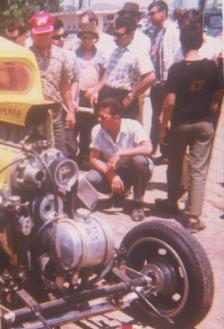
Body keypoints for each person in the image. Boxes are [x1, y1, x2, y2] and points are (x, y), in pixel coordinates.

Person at [155, 26, 223, 232]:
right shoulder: (212, 67)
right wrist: (211, 108)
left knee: (175, 164)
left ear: (181, 43)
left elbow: (169, 103)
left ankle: (172, 202)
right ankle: (193, 217)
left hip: (180, 124)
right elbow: (219, 92)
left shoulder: (176, 69)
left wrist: (163, 127)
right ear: (201, 43)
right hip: (204, 123)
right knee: (198, 169)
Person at [86, 97, 153, 221]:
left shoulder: (133, 125)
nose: (98, 119)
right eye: (99, 116)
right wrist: (111, 175)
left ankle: (137, 204)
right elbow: (93, 159)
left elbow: (148, 148)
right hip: (114, 170)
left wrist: (120, 153)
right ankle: (119, 193)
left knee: (140, 161)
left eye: (103, 117)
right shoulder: (97, 129)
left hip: (133, 169)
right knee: (91, 177)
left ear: (116, 118)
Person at [29, 12, 76, 156]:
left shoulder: (61, 55)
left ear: (51, 32)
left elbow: (64, 84)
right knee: (32, 157)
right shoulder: (25, 55)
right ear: (32, 34)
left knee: (60, 155)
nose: (42, 37)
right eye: (39, 34)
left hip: (54, 112)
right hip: (31, 113)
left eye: (45, 33)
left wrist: (70, 111)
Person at [94, 15, 156, 121]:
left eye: (119, 35)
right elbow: (108, 72)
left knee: (124, 133)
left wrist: (131, 96)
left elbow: (150, 77)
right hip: (108, 96)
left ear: (131, 34)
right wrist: (97, 90)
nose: (115, 38)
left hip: (124, 99)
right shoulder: (114, 48)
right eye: (114, 34)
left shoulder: (138, 52)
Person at [145, 1, 180, 163]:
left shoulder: (172, 31)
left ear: (163, 13)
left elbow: (174, 58)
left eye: (152, 13)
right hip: (156, 83)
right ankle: (159, 150)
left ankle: (156, 152)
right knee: (156, 118)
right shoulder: (155, 31)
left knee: (163, 118)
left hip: (167, 82)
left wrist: (172, 83)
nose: (150, 16)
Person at [74, 22, 106, 169]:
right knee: (77, 125)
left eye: (90, 38)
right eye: (84, 38)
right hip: (78, 94)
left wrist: (96, 89)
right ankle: (74, 154)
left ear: (94, 39)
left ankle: (86, 156)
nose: (87, 41)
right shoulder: (75, 53)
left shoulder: (100, 55)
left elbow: (105, 74)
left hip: (93, 95)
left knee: (90, 126)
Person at [51, 18, 80, 159]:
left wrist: (72, 102)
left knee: (68, 147)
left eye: (64, 35)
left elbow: (74, 79)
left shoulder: (70, 56)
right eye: (57, 37)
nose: (61, 39)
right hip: (48, 110)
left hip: (66, 108)